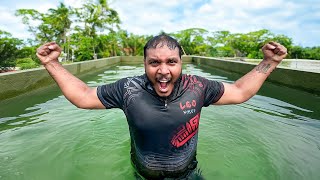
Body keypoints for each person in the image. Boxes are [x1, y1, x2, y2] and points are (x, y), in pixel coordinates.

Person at [36, 34, 287, 179]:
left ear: (181, 63)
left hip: (188, 174)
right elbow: (83, 96)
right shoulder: (128, 90)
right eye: (154, 63)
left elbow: (240, 91)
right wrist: (52, 64)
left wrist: (270, 62)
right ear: (144, 63)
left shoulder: (198, 87)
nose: (163, 71)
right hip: (142, 175)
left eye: (171, 62)